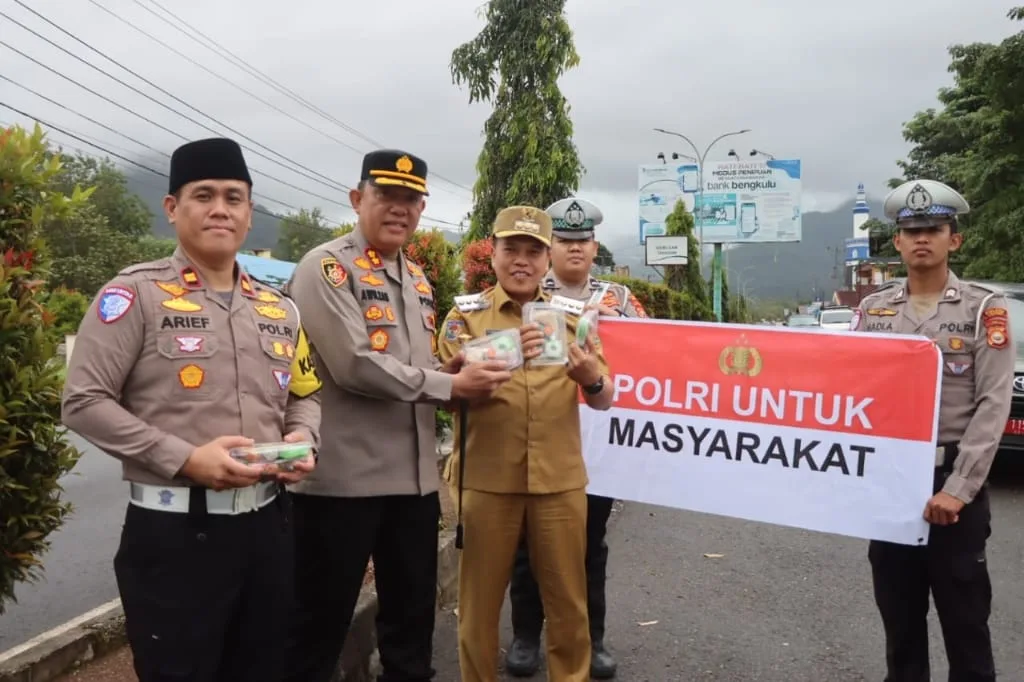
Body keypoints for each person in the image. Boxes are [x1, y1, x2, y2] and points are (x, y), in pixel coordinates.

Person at [61, 137, 322, 682]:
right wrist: (185, 458)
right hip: (176, 536)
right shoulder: (135, 296)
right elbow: (83, 401)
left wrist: (304, 443)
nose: (221, 208)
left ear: (250, 213)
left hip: (269, 529)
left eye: (234, 197)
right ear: (173, 208)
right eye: (204, 195)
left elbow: (305, 393)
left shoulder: (280, 308)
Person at [283, 149, 512, 682]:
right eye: (387, 195)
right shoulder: (326, 267)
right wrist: (449, 383)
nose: (400, 208)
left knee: (411, 628)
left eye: (411, 199)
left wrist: (446, 367)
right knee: (316, 627)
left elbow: (413, 365)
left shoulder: (416, 277)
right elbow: (355, 365)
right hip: (341, 483)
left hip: (412, 486)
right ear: (357, 198)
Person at [437, 205, 615, 682]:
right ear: (491, 254)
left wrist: (590, 378)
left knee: (568, 604)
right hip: (487, 482)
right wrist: (493, 361)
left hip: (559, 482)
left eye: (533, 251)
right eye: (510, 249)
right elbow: (447, 396)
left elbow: (605, 398)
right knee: (477, 607)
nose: (522, 260)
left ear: (547, 257)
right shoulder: (464, 318)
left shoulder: (573, 318)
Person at [851, 179, 1014, 682]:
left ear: (954, 239)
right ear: (896, 243)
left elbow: (992, 405)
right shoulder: (871, 310)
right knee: (900, 630)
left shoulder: (984, 309)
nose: (923, 238)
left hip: (953, 494)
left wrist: (958, 489)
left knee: (966, 629)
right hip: (891, 491)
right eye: (912, 230)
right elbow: (854, 397)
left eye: (934, 229)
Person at [504, 197, 646, 679]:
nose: (574, 249)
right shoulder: (525, 291)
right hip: (538, 434)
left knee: (589, 546)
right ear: (549, 248)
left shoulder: (621, 301)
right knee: (527, 544)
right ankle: (526, 636)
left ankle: (592, 638)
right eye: (564, 240)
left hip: (600, 443)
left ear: (595, 245)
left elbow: (658, 352)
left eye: (582, 240)